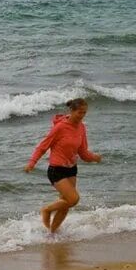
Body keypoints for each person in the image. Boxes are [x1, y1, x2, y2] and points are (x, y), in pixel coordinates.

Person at [24, 98, 102, 233]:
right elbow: (43, 146)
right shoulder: (60, 127)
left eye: (84, 113)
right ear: (71, 111)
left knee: (65, 205)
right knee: (73, 199)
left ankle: (52, 233)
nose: (82, 115)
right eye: (79, 112)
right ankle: (46, 210)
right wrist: (32, 163)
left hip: (71, 169)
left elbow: (83, 152)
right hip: (56, 169)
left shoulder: (81, 127)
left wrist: (94, 157)